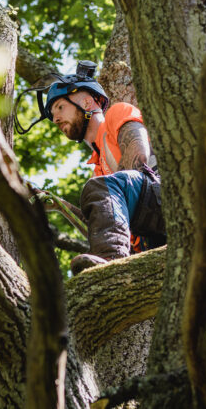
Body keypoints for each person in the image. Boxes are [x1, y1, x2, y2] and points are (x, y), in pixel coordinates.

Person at [38, 63, 165, 275]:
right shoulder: (98, 168)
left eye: (60, 107)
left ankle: (111, 266)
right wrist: (60, 207)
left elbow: (140, 159)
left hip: (163, 200)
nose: (56, 118)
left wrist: (108, 190)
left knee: (99, 187)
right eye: (53, 114)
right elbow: (104, 223)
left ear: (87, 102)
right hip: (147, 238)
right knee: (99, 190)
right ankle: (113, 262)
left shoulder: (117, 114)